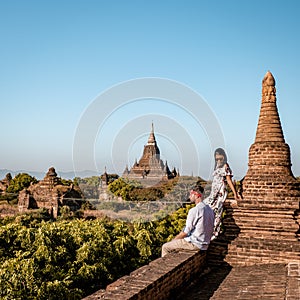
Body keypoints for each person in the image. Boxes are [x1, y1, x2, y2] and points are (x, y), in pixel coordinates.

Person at [161, 186, 215, 257]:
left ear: (196, 195)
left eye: (191, 194)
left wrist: (173, 240)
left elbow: (185, 233)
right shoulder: (210, 210)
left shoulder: (195, 210)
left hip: (195, 243)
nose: (189, 197)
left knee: (165, 247)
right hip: (205, 244)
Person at [203, 148, 240, 240]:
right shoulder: (216, 167)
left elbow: (229, 180)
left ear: (224, 157)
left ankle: (213, 234)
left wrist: (235, 194)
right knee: (205, 207)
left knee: (217, 212)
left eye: (220, 158)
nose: (219, 160)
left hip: (220, 192)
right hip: (213, 193)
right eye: (217, 159)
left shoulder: (225, 166)